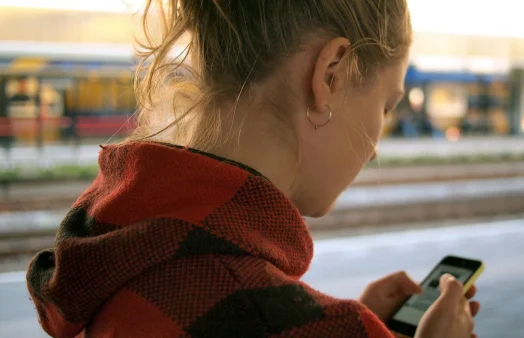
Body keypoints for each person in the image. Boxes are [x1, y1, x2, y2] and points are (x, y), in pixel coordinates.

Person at [27, 1, 480, 337]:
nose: (375, 147)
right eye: (385, 106)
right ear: (331, 76)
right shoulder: (282, 318)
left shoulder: (114, 252)